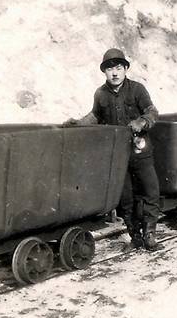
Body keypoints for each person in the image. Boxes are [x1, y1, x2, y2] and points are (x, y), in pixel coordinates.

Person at [65, 48, 160, 250]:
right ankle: (135, 236)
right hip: (117, 157)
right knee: (124, 199)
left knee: (150, 191)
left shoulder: (137, 89)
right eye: (109, 69)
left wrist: (142, 122)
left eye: (118, 67)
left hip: (140, 152)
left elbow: (152, 111)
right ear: (104, 72)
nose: (114, 73)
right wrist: (79, 123)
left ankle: (150, 233)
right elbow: (95, 116)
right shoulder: (100, 94)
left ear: (125, 68)